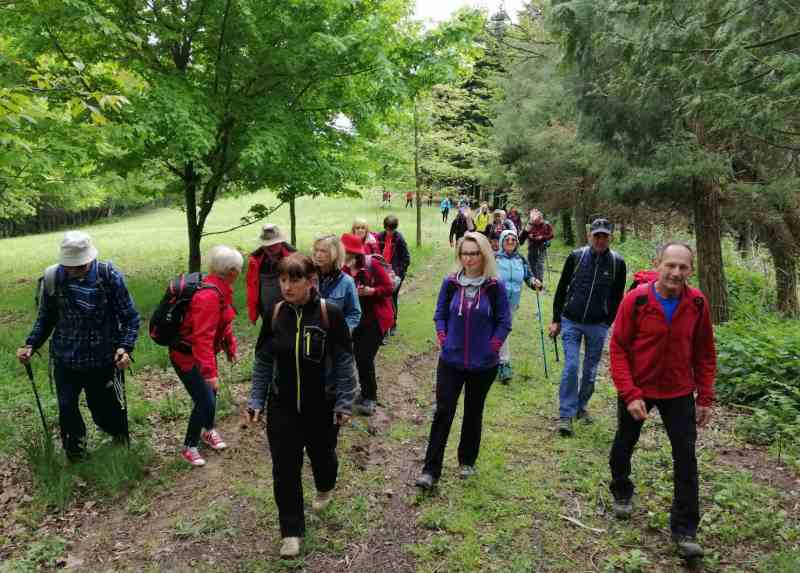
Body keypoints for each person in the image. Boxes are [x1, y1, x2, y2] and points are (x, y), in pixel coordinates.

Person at [608, 242, 715, 560]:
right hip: (638, 388)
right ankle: (621, 490)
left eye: (683, 267)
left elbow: (704, 352)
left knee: (686, 459)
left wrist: (705, 396)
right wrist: (630, 394)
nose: (676, 272)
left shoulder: (696, 303)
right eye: (670, 265)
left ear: (690, 270)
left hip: (679, 390)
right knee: (624, 443)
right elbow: (618, 349)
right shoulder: (636, 300)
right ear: (658, 264)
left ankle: (685, 531)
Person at [252, 253, 355, 558]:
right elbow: (263, 361)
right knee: (284, 469)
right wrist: (256, 399)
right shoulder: (274, 314)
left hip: (321, 406)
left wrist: (344, 402)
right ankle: (291, 532)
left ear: (312, 281)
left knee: (323, 458)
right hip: (282, 407)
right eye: (283, 279)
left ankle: (325, 485)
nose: (287, 286)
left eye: (294, 279)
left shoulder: (329, 314)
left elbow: (345, 362)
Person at [17, 231, 140, 461]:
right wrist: (31, 344)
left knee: (102, 409)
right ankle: (76, 455)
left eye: (80, 266)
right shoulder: (53, 278)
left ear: (90, 260)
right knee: (66, 407)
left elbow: (131, 317)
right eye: (69, 266)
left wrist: (126, 347)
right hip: (66, 357)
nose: (73, 271)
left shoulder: (108, 275)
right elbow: (46, 317)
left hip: (102, 359)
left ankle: (117, 436)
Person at [415, 232, 511, 489]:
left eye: (474, 253)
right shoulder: (450, 283)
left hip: (484, 364)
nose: (469, 258)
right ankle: (430, 470)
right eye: (464, 253)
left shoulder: (494, 286)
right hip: (451, 361)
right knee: (443, 412)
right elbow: (439, 315)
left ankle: (467, 460)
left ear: (484, 255)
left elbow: (504, 321)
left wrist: (492, 347)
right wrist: (444, 339)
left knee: (473, 411)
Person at [549, 218, 626, 436]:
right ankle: (565, 414)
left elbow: (617, 296)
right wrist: (556, 319)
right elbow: (562, 288)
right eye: (597, 235)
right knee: (572, 366)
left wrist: (606, 322)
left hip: (597, 325)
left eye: (605, 236)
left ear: (610, 237)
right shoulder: (576, 257)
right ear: (590, 236)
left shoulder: (617, 263)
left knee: (591, 372)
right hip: (571, 320)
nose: (600, 240)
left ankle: (581, 407)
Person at [170, 246, 241, 467]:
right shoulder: (208, 296)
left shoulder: (219, 289)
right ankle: (189, 446)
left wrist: (230, 346)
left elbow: (222, 322)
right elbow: (202, 338)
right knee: (205, 398)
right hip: (186, 356)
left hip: (202, 354)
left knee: (211, 393)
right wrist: (209, 373)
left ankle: (208, 431)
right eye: (239, 269)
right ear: (232, 272)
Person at [246, 224, 296, 424]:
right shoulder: (257, 259)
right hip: (268, 314)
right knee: (266, 353)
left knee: (288, 351)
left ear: (281, 242)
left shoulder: (293, 257)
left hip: (291, 313)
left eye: (273, 245)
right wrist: (254, 310)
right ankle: (266, 394)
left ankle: (286, 388)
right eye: (267, 245)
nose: (270, 248)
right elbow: (252, 284)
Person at [341, 233, 394, 416]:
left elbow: (389, 288)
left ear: (353, 252)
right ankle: (364, 392)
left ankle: (370, 397)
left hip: (376, 319)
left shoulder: (372, 265)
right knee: (357, 356)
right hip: (356, 320)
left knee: (364, 357)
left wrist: (372, 291)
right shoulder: (342, 269)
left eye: (346, 251)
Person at [494, 230, 542, 383]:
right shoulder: (495, 258)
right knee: (502, 330)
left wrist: (534, 281)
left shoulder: (520, 259)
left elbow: (528, 276)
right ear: (501, 242)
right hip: (494, 301)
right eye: (507, 239)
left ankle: (493, 359)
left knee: (501, 331)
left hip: (513, 302)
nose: (510, 242)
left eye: (513, 240)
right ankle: (504, 364)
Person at [313, 235, 361, 332]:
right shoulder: (307, 277)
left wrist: (343, 333)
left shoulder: (346, 282)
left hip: (334, 339)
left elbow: (354, 313)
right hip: (309, 337)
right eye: (316, 250)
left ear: (335, 254)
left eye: (323, 251)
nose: (318, 255)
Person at [376, 215, 411, 334]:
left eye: (392, 229)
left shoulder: (399, 238)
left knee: (392, 297)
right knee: (382, 298)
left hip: (395, 274)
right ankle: (383, 325)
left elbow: (406, 258)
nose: (389, 231)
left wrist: (399, 274)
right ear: (384, 227)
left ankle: (393, 324)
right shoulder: (380, 236)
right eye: (387, 229)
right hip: (381, 272)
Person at [519, 209, 554, 284]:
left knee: (540, 263)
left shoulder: (546, 225)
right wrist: (531, 236)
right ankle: (534, 279)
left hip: (542, 245)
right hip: (532, 245)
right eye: (535, 221)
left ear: (541, 218)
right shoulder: (531, 225)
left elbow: (551, 235)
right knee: (531, 262)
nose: (537, 222)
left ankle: (540, 280)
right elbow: (524, 235)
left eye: (538, 220)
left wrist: (542, 237)